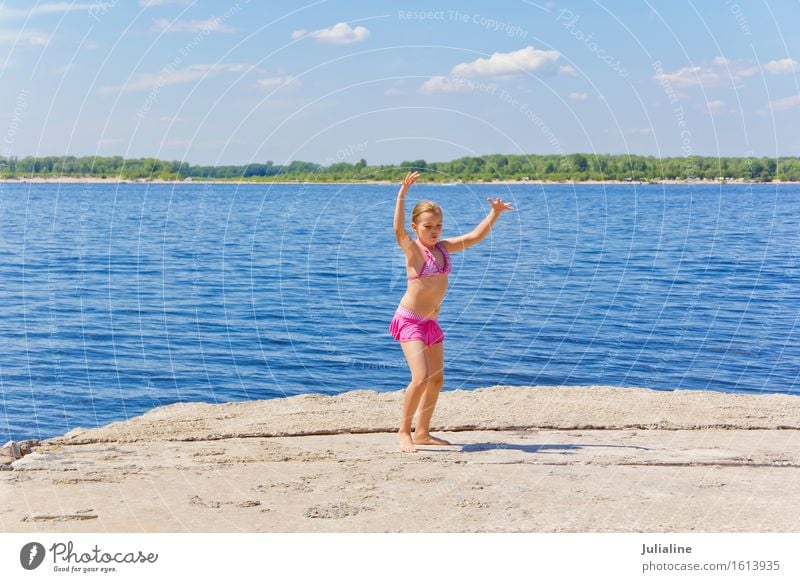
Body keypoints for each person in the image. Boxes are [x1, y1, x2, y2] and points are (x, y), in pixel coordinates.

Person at [391, 170, 513, 453]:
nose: (434, 231)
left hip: (431, 323)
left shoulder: (444, 249)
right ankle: (403, 432)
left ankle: (422, 432)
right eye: (428, 226)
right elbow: (398, 231)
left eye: (438, 226)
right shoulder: (414, 251)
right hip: (410, 321)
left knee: (437, 379)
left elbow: (473, 237)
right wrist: (401, 195)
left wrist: (494, 214)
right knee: (420, 377)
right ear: (416, 227)